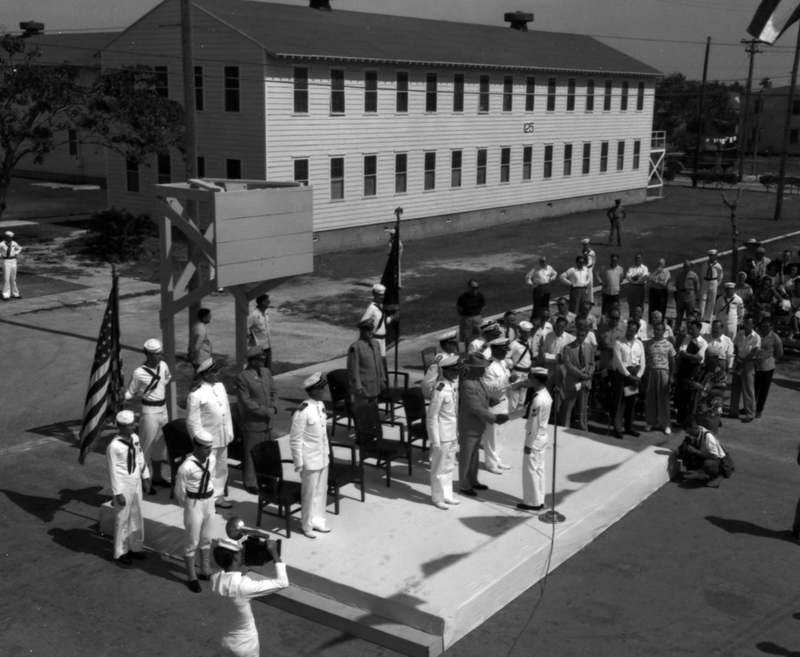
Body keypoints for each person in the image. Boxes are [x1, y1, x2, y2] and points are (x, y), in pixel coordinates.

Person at [211, 537, 288, 657]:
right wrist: (274, 553)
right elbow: (282, 582)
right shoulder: (244, 586)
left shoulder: (214, 578)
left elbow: (232, 575)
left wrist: (246, 562)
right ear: (235, 557)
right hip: (246, 646)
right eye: (240, 552)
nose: (242, 554)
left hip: (225, 643)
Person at [124, 338, 172, 493]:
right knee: (146, 448)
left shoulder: (163, 366)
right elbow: (130, 392)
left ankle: (157, 477)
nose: (161, 356)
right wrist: (120, 396)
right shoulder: (138, 373)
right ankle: (144, 482)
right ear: (148, 354)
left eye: (161, 353)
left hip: (163, 410)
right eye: (157, 354)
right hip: (149, 412)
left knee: (160, 446)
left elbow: (167, 379)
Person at [458, 353, 508, 497]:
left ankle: (473, 480)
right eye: (481, 368)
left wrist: (489, 400)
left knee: (474, 456)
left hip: (477, 424)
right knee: (466, 456)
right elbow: (476, 408)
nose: (484, 371)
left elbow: (482, 398)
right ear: (472, 368)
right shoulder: (468, 384)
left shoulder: (478, 379)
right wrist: (494, 418)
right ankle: (464, 484)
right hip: (469, 425)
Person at [186, 358, 234, 509]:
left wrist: (230, 431)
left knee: (221, 469)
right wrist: (200, 442)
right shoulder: (196, 394)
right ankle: (206, 499)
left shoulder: (220, 387)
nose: (217, 374)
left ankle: (217, 496)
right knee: (207, 470)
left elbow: (226, 411)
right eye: (214, 372)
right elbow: (192, 421)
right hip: (207, 440)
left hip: (222, 436)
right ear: (205, 375)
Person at [290, 372, 331, 538]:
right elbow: (295, 439)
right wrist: (299, 463)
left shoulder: (320, 405)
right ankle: (306, 525)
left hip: (322, 457)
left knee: (321, 491)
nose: (324, 390)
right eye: (321, 388)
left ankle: (318, 520)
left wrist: (327, 454)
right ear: (313, 391)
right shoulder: (303, 411)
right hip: (310, 460)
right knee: (309, 494)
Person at [106, 410, 150, 565]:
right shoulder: (114, 446)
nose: (133, 427)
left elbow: (139, 457)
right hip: (123, 485)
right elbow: (113, 472)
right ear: (121, 427)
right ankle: (121, 550)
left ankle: (135, 547)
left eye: (133, 424)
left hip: (136, 482)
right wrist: (117, 493)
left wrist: (145, 477)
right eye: (130, 425)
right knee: (122, 519)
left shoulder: (135, 439)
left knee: (137, 515)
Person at [175, 432, 216, 592]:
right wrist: (187, 506)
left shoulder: (211, 460)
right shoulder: (186, 466)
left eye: (210, 447)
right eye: (206, 448)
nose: (209, 451)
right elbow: (179, 490)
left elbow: (212, 478)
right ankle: (191, 576)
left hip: (209, 501)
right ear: (197, 447)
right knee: (192, 541)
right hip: (194, 504)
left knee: (206, 537)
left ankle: (205, 570)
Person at [235, 346, 278, 495]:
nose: (263, 360)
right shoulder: (243, 377)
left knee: (266, 451)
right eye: (260, 359)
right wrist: (265, 411)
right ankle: (250, 482)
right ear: (252, 361)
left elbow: (273, 391)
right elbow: (246, 402)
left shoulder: (266, 372)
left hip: (267, 421)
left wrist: (273, 407)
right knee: (251, 452)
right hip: (253, 422)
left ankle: (264, 478)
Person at [426, 355, 462, 510]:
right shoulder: (440, 389)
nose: (456, 373)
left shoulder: (451, 386)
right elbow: (431, 417)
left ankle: (447, 494)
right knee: (439, 469)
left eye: (457, 370)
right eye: (454, 370)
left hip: (452, 433)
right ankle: (437, 497)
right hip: (442, 435)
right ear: (445, 371)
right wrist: (435, 441)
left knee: (448, 467)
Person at [517, 367, 552, 511]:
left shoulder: (538, 399)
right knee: (539, 470)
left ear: (536, 380)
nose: (529, 379)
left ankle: (531, 502)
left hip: (535, 438)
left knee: (530, 470)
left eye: (531, 377)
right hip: (542, 436)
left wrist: (528, 444)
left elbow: (535, 424)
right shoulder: (545, 394)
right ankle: (539, 499)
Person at [483, 338, 518, 475]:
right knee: (491, 435)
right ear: (496, 350)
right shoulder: (488, 365)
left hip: (504, 401)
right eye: (504, 351)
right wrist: (507, 380)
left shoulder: (502, 363)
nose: (506, 353)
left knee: (501, 434)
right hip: (494, 404)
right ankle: (490, 463)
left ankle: (497, 458)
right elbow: (488, 386)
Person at [611, 319, 645, 439]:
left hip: (635, 374)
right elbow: (619, 363)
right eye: (628, 330)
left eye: (632, 331)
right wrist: (629, 376)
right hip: (623, 375)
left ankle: (629, 427)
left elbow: (643, 361)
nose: (630, 333)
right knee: (620, 402)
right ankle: (618, 429)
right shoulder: (619, 343)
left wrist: (638, 376)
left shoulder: (639, 344)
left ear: (636, 331)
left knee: (631, 402)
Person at [559, 324, 595, 431]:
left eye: (583, 335)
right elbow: (569, 366)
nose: (580, 337)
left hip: (585, 381)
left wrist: (589, 374)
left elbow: (592, 363)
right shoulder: (568, 348)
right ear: (576, 334)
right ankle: (565, 426)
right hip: (573, 381)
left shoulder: (589, 347)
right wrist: (581, 374)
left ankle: (583, 426)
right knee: (569, 404)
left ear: (586, 335)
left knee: (583, 406)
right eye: (579, 335)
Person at [346, 318, 385, 413]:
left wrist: (382, 379)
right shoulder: (355, 347)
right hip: (363, 388)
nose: (370, 332)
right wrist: (357, 387)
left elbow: (379, 364)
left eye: (371, 329)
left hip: (374, 386)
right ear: (362, 331)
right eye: (367, 330)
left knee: (373, 412)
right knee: (362, 414)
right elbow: (353, 370)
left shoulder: (375, 344)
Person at [677, 420, 731, 487]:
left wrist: (696, 451)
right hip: (707, 454)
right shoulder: (697, 431)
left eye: (690, 432)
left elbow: (714, 456)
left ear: (695, 428)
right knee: (686, 449)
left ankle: (717, 476)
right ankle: (700, 472)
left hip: (721, 461)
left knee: (708, 464)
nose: (689, 434)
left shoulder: (708, 436)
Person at [644, 323, 676, 434]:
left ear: (664, 331)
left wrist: (671, 377)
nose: (656, 331)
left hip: (663, 373)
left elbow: (672, 362)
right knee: (650, 398)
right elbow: (644, 360)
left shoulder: (668, 345)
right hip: (651, 372)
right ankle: (650, 422)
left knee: (664, 399)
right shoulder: (648, 343)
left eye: (659, 330)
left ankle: (665, 424)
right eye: (655, 329)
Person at [674, 320, 708, 426]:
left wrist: (687, 355)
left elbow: (698, 359)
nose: (690, 331)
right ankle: (680, 420)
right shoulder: (687, 339)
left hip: (693, 372)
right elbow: (681, 352)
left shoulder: (703, 343)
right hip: (683, 371)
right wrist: (690, 356)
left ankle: (690, 421)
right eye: (689, 329)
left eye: (693, 329)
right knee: (681, 399)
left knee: (692, 399)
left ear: (699, 329)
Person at [691, 345, 728, 433]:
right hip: (699, 409)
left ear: (715, 358)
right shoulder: (704, 367)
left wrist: (702, 388)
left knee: (709, 438)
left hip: (711, 410)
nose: (705, 359)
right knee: (698, 437)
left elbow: (719, 392)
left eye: (708, 358)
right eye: (705, 356)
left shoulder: (720, 371)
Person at [730, 315, 760, 422]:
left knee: (748, 389)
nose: (746, 325)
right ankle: (733, 411)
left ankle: (750, 413)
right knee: (735, 388)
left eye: (748, 323)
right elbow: (735, 345)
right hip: (739, 361)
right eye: (745, 323)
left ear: (753, 325)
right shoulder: (740, 333)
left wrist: (743, 362)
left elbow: (753, 352)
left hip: (748, 364)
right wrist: (737, 357)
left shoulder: (756, 337)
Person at [754, 316, 783, 419]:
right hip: (754, 365)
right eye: (762, 326)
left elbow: (779, 352)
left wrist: (771, 359)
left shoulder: (775, 337)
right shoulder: (756, 333)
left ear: (772, 326)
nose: (764, 328)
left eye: (767, 326)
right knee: (753, 388)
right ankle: (749, 407)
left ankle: (759, 409)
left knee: (763, 389)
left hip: (767, 366)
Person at [538, 316, 574, 399]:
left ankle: (558, 410)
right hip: (549, 365)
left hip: (562, 366)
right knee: (547, 388)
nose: (559, 328)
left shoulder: (569, 338)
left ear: (565, 327)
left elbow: (571, 354)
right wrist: (546, 355)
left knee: (561, 389)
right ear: (555, 325)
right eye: (558, 326)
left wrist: (563, 357)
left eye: (562, 326)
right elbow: (544, 349)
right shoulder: (548, 336)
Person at [361, 283, 397, 358]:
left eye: (382, 295)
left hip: (383, 340)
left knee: (382, 361)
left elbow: (381, 321)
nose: (381, 297)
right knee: (376, 361)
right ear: (374, 295)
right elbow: (362, 322)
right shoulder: (372, 308)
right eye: (379, 295)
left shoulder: (380, 306)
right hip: (375, 339)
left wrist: (392, 318)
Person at [421, 330, 460, 398]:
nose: (457, 345)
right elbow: (428, 382)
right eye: (454, 343)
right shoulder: (440, 359)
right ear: (447, 345)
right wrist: (434, 395)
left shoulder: (451, 355)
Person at [508, 321, 534, 411]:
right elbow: (506, 358)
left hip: (526, 374)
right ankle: (511, 419)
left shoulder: (530, 342)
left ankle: (518, 419)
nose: (526, 334)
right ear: (520, 332)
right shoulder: (514, 344)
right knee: (514, 399)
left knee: (522, 399)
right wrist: (512, 366)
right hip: (517, 373)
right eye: (524, 332)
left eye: (528, 332)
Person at [456, 279, 485, 351]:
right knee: (466, 338)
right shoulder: (463, 297)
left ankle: (479, 352)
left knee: (479, 336)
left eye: (476, 288)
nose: (475, 289)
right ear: (469, 287)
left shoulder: (480, 296)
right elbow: (458, 308)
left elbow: (483, 306)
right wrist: (462, 316)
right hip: (467, 319)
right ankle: (468, 354)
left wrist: (478, 314)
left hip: (477, 318)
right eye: (473, 288)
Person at [246, 294, 272, 370]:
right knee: (259, 367)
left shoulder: (266, 312)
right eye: (267, 301)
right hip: (258, 348)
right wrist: (249, 335)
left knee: (267, 368)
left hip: (267, 346)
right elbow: (245, 327)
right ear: (262, 302)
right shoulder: (253, 315)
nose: (269, 302)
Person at [674, 260, 700, 333]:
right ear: (683, 267)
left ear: (690, 267)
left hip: (690, 295)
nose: (687, 269)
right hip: (681, 294)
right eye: (685, 267)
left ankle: (690, 329)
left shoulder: (694, 275)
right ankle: (676, 329)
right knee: (679, 313)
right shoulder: (679, 275)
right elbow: (676, 285)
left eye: (688, 267)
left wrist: (692, 293)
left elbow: (697, 287)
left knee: (690, 313)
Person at [699, 249, 724, 322]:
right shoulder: (705, 264)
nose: (711, 257)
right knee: (703, 299)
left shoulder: (718, 266)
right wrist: (704, 279)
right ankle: (701, 316)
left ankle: (708, 317)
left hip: (713, 281)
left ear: (715, 256)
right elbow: (702, 272)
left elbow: (720, 274)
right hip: (706, 281)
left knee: (712, 300)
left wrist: (718, 282)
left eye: (713, 255)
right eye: (710, 256)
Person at [1, 230, 21, 300]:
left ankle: (15, 293)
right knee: (6, 278)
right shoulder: (2, 244)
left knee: (13, 278)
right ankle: (6, 294)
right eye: (9, 237)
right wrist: (1, 255)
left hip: (13, 260)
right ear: (6, 237)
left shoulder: (13, 243)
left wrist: (16, 253)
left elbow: (19, 248)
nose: (10, 239)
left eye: (11, 237)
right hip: (6, 260)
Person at [581, 238, 597, 303]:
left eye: (586, 244)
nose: (585, 246)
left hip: (589, 269)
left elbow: (594, 260)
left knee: (590, 285)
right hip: (583, 269)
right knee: (583, 285)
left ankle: (591, 301)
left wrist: (591, 268)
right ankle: (583, 299)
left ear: (588, 244)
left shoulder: (592, 252)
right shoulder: (580, 252)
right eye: (584, 245)